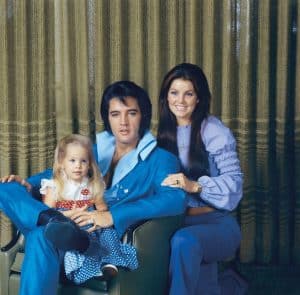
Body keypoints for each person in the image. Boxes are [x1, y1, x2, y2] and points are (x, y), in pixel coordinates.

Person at [0, 80, 186, 295]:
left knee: (39, 237)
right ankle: (50, 218)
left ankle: (51, 222)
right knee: (6, 188)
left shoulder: (161, 159)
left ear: (143, 115)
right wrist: (27, 184)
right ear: (107, 118)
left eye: (131, 113)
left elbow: (176, 199)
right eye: (115, 114)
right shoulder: (92, 151)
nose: (123, 122)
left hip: (94, 234)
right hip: (63, 223)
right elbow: (53, 175)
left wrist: (112, 216)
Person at [157, 63, 244, 295]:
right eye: (174, 93)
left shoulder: (213, 130)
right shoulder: (164, 132)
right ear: (166, 97)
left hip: (216, 223)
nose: (181, 101)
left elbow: (234, 186)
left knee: (184, 242)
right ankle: (233, 284)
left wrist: (194, 185)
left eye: (189, 93)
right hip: (178, 222)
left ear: (199, 98)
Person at [40, 133, 138, 284]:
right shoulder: (54, 185)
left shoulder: (92, 185)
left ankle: (109, 262)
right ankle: (91, 270)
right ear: (61, 162)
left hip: (90, 223)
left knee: (107, 231)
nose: (78, 165)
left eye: (83, 161)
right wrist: (69, 214)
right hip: (68, 226)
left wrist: (96, 215)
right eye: (72, 160)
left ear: (89, 164)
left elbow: (102, 209)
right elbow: (46, 214)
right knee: (79, 240)